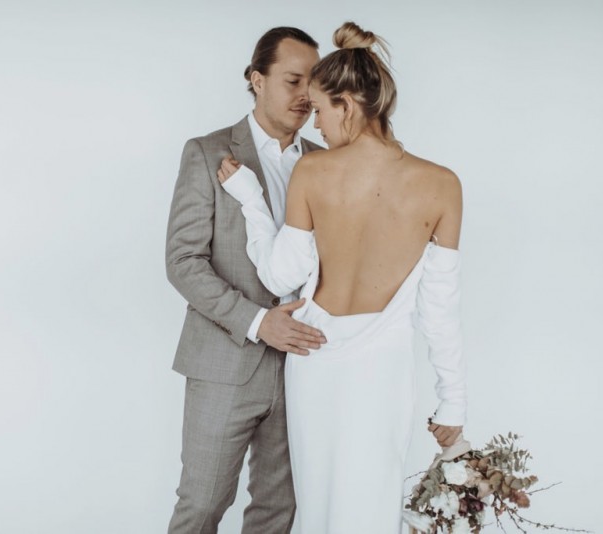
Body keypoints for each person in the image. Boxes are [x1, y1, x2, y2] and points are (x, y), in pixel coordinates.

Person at [217, 22, 468, 533]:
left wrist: (249, 197)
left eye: (319, 109)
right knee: (374, 501)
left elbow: (280, 271)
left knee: (319, 505)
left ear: (348, 106)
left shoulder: (315, 172)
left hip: (315, 361)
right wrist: (453, 400)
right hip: (385, 369)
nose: (314, 126)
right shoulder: (443, 185)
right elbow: (439, 310)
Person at [165, 27, 327, 533]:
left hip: (303, 366)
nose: (305, 95)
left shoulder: (326, 163)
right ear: (257, 80)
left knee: (279, 512)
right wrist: (259, 322)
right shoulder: (207, 152)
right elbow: (183, 261)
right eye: (292, 80)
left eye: (313, 82)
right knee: (203, 506)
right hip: (224, 362)